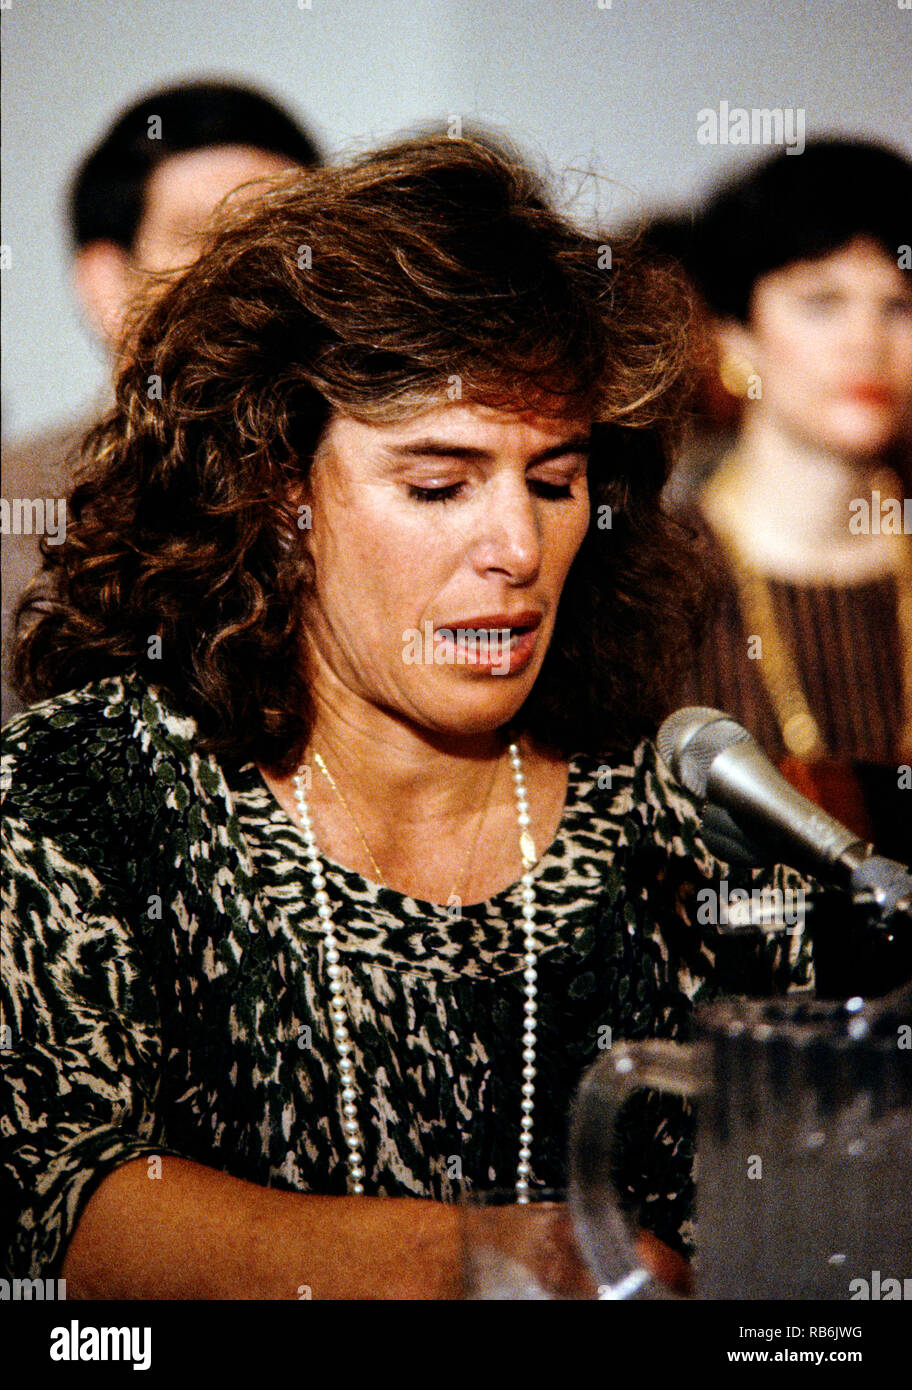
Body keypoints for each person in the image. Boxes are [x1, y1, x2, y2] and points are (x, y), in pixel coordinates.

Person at [1, 136, 815, 1300]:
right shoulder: (86, 797)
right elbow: (54, 1200)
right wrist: (477, 1259)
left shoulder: (670, 831)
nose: (517, 550)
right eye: (438, 485)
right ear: (281, 488)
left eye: (552, 481)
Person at [1, 79, 321, 721]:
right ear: (106, 284)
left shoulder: (382, 484)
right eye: (208, 238)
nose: (257, 274)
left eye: (289, 241)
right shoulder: (16, 510)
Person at [673, 139, 912, 861]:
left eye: (899, 305)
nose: (865, 341)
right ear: (735, 333)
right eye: (822, 302)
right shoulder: (659, 576)